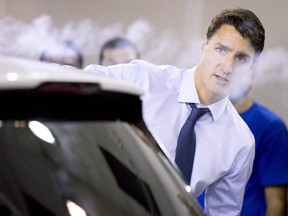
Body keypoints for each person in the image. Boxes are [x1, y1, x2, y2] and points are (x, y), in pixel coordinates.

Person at [84, 7, 265, 215]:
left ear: (252, 66)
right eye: (221, 50)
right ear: (204, 45)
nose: (227, 67)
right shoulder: (142, 81)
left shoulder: (240, 142)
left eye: (241, 58)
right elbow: (70, 82)